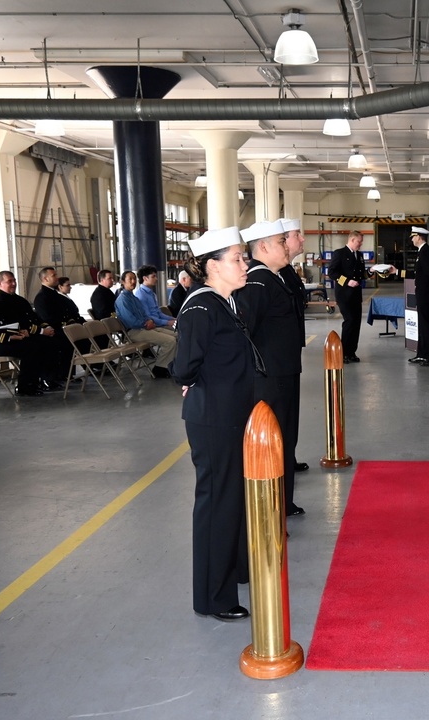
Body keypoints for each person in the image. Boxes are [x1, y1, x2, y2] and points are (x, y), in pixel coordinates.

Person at [171, 226, 262, 622]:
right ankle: (213, 596)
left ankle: (235, 570)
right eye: (238, 259)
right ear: (213, 266)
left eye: (244, 257)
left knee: (234, 500)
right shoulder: (200, 307)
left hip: (232, 415)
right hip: (213, 419)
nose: (245, 264)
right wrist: (193, 384)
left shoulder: (227, 302)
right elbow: (183, 368)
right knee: (217, 504)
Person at [235, 220, 305, 517]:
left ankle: (283, 502)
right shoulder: (259, 282)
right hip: (270, 375)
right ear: (262, 247)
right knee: (275, 441)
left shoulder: (273, 278)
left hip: (283, 370)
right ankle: (273, 507)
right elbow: (244, 330)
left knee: (286, 438)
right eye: (281, 241)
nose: (287, 246)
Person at [0, 272, 52, 396]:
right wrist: (10, 336)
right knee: (31, 348)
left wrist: (18, 332)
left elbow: (6, 322)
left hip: (4, 339)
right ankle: (24, 387)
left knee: (39, 343)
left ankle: (35, 382)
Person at [277, 217, 311, 474]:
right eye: (296, 235)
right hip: (275, 359)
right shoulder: (269, 275)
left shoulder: (287, 270)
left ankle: (289, 455)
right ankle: (282, 459)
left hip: (289, 352)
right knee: (281, 412)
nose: (302, 240)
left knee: (290, 412)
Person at [114, 270, 178, 378]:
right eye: (130, 279)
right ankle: (160, 368)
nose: (133, 281)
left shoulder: (133, 298)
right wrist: (145, 324)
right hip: (134, 331)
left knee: (177, 336)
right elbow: (130, 321)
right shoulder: (122, 300)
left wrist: (150, 321)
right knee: (170, 341)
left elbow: (144, 314)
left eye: (134, 279)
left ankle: (170, 365)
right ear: (122, 281)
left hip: (145, 328)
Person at [34, 265, 88, 377]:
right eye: (54, 275)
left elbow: (67, 312)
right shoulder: (42, 297)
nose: (57, 277)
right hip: (56, 329)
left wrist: (71, 321)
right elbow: (47, 318)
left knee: (84, 337)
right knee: (67, 340)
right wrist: (65, 324)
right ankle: (64, 374)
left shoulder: (55, 295)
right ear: (45, 279)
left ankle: (85, 368)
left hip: (65, 327)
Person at [327, 230, 368, 363]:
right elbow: (332, 272)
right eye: (359, 242)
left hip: (356, 295)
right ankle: (343, 352)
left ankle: (351, 352)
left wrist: (371, 271)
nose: (360, 244)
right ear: (352, 240)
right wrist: (347, 281)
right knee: (349, 321)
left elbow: (362, 274)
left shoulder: (359, 255)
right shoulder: (340, 253)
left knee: (356, 323)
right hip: (344, 295)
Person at [409, 226, 429, 366]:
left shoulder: (425, 252)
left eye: (413, 236)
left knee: (426, 325)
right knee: (422, 325)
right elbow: (419, 274)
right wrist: (397, 272)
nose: (412, 239)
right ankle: (422, 354)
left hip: (426, 294)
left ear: (418, 237)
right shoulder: (421, 251)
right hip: (422, 292)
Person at [135, 265, 176, 329]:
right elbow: (148, 317)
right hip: (154, 326)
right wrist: (167, 322)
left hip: (159, 323)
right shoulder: (141, 295)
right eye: (153, 276)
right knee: (179, 333)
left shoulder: (151, 293)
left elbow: (159, 313)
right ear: (145, 278)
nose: (156, 279)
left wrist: (173, 319)